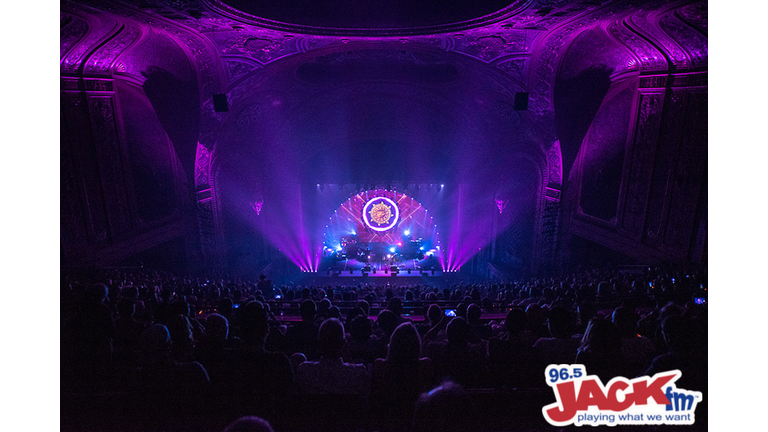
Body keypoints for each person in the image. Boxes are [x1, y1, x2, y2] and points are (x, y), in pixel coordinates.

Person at [295, 318, 369, 395]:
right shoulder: (358, 373)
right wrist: (348, 357)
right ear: (343, 344)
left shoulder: (304, 372)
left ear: (319, 342)